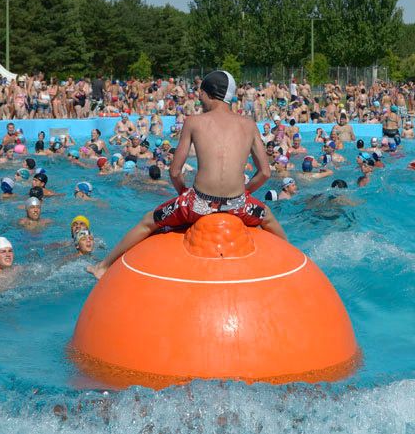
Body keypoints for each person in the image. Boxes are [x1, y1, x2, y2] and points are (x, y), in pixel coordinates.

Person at [88, 71, 285, 280]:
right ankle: (292, 263)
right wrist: (244, 193)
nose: (199, 99)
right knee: (269, 219)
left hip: (198, 204)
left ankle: (103, 267)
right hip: (237, 205)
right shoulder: (249, 124)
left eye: (201, 95)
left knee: (147, 221)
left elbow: (174, 171)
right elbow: (264, 172)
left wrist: (183, 193)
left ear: (209, 94)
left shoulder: (193, 121)